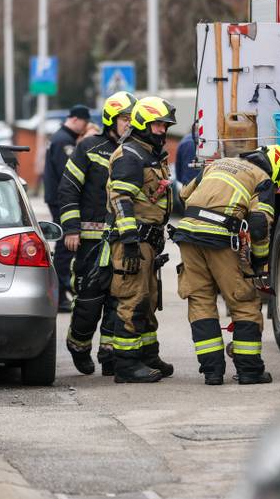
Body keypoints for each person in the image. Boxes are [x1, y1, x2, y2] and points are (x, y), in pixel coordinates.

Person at [172, 145, 280, 385]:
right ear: (276, 171)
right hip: (220, 238)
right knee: (243, 301)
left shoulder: (216, 164)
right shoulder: (263, 180)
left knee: (201, 301)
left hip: (188, 234)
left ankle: (212, 372)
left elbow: (184, 194)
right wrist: (259, 264)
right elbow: (258, 225)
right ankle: (249, 371)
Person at [58, 92, 136, 376]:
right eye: (125, 118)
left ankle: (109, 353)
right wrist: (71, 228)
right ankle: (78, 345)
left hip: (122, 240)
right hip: (90, 240)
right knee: (89, 300)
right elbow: (68, 188)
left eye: (131, 118)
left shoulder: (135, 152)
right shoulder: (89, 147)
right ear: (111, 119)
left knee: (119, 299)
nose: (129, 124)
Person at [106, 96, 176, 383]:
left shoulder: (151, 155)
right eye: (158, 125)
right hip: (131, 242)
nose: (162, 130)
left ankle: (148, 354)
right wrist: (131, 241)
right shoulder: (130, 155)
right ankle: (126, 365)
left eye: (164, 125)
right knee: (132, 300)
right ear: (143, 124)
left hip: (149, 240)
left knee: (148, 300)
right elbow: (120, 199)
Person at [43, 104, 90, 312]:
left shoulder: (61, 137)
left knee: (63, 248)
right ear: (76, 119)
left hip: (56, 199)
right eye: (85, 123)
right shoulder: (64, 141)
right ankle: (60, 293)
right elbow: (69, 175)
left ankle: (61, 292)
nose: (85, 127)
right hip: (61, 201)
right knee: (64, 248)